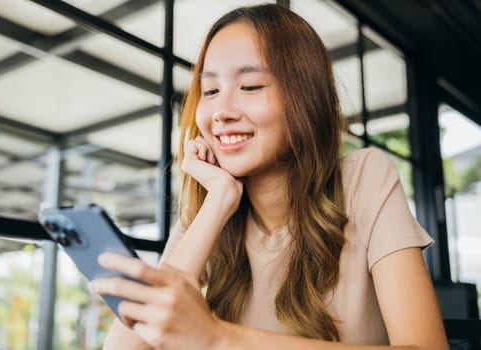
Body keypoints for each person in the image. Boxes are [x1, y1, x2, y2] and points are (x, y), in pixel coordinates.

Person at [87, 4, 449, 349]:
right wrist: (218, 202)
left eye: (250, 87)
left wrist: (217, 340)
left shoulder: (365, 176)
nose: (220, 112)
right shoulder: (211, 205)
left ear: (304, 99)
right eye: (210, 91)